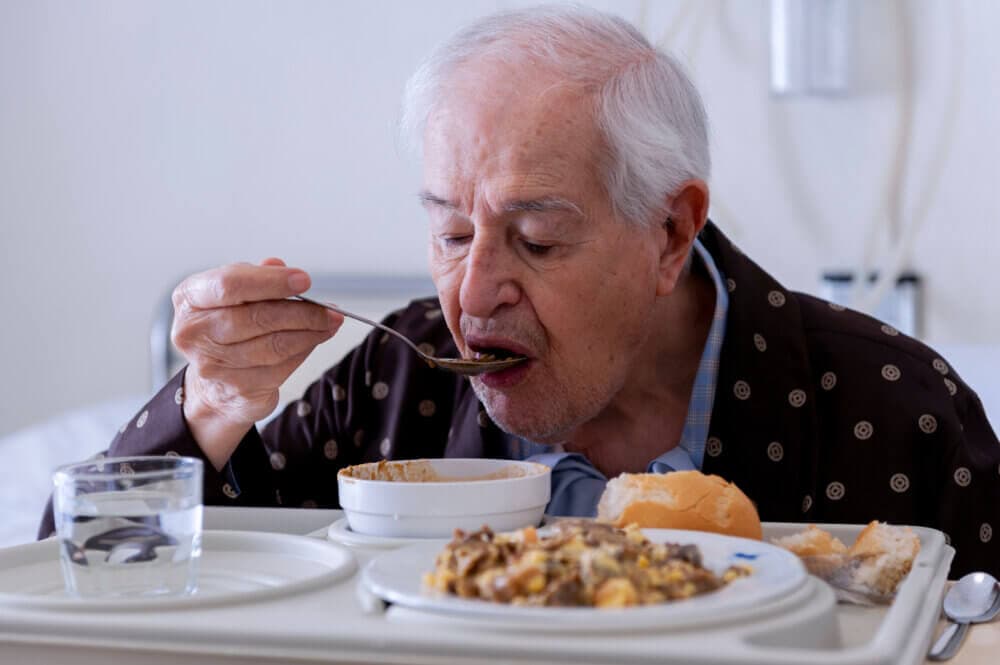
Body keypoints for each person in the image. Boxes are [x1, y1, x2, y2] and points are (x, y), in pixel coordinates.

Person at [40, 5, 999, 576]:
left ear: (671, 233)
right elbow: (84, 568)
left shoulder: (897, 415)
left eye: (536, 239)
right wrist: (210, 403)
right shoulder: (397, 387)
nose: (474, 291)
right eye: (451, 232)